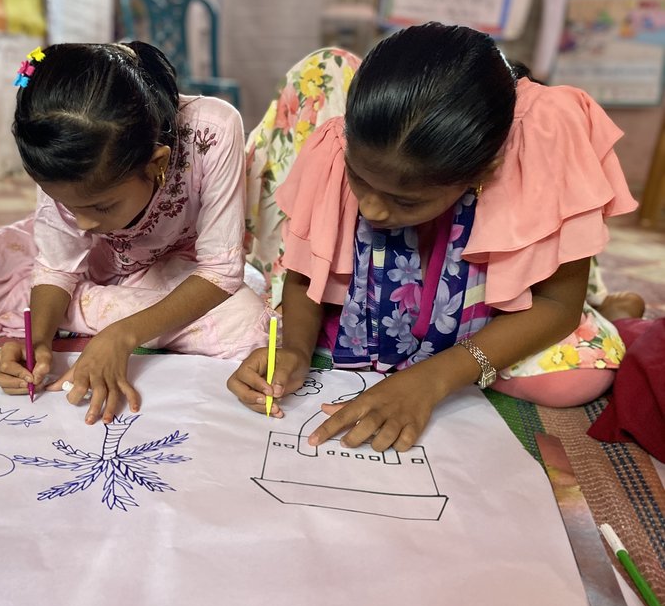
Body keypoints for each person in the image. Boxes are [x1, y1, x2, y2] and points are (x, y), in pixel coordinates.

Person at [228, 23, 640, 452]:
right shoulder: (339, 145)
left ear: (481, 175)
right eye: (359, 180)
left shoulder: (540, 147)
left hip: (493, 313)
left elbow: (557, 304)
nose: (372, 210)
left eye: (406, 202)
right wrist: (294, 349)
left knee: (575, 379)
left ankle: (607, 306)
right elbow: (303, 273)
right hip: (376, 312)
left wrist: (432, 379)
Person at [0, 42, 269, 424]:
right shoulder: (67, 146)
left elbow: (219, 271)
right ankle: (73, 310)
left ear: (158, 163)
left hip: (172, 265)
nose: (83, 223)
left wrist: (122, 335)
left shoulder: (213, 129)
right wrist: (37, 341)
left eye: (101, 206)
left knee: (247, 320)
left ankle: (76, 310)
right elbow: (58, 265)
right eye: (65, 204)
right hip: (84, 260)